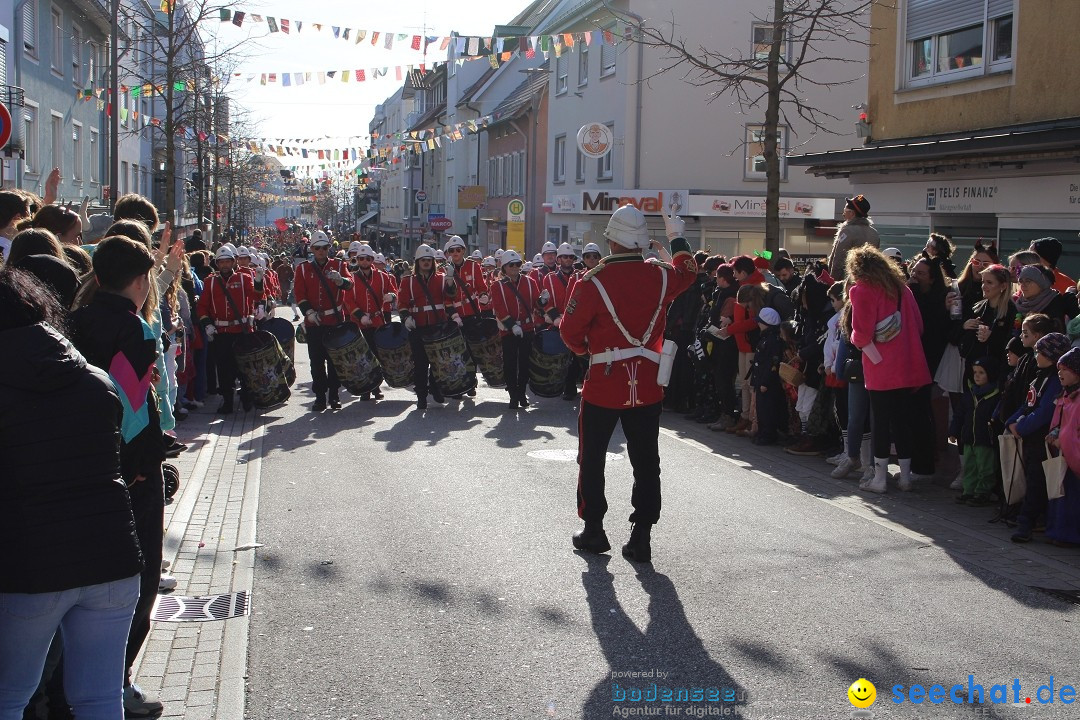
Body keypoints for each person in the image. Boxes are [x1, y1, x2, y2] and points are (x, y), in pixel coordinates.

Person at [0, 267, 144, 720]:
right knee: (99, 698)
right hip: (112, 554)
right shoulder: (95, 381)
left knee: (9, 695)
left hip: (29, 562)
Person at [561, 203, 697, 563]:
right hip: (648, 385)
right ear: (641, 243)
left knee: (592, 457)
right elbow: (688, 269)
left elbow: (570, 332)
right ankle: (642, 535)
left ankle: (593, 529)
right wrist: (676, 235)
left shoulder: (591, 282)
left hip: (604, 384)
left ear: (611, 241)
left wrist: (589, 350)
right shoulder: (663, 277)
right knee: (646, 460)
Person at [68, 236, 166, 718]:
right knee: (138, 580)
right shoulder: (134, 331)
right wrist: (145, 468)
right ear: (140, 278)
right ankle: (116, 683)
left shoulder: (74, 318)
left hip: (78, 461)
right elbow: (130, 409)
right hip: (126, 474)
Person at [846, 246, 931, 494]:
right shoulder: (902, 289)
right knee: (902, 421)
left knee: (880, 422)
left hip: (880, 365)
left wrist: (865, 347)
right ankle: (905, 477)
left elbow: (860, 334)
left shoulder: (861, 290)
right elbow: (919, 325)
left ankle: (880, 479)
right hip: (907, 362)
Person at [1007, 333, 1070, 543]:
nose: (1035, 355)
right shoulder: (1038, 377)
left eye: (1040, 352)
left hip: (1042, 440)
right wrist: (1011, 421)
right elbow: (1028, 405)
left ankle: (1026, 523)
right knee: (1032, 479)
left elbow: (1044, 412)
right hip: (1030, 439)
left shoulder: (1054, 381)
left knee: (1037, 482)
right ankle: (1027, 517)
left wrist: (1021, 427)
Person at [196, 245, 263, 414]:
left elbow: (256, 296)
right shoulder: (210, 281)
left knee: (244, 367)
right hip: (221, 333)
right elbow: (202, 307)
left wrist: (259, 281)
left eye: (228, 261)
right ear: (217, 264)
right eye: (222, 262)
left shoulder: (244, 278)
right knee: (224, 369)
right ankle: (227, 402)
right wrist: (207, 324)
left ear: (233, 262)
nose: (225, 265)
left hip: (241, 330)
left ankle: (247, 397)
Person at [294, 231, 353, 411]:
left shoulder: (339, 264)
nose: (321, 251)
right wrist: (308, 312)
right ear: (312, 249)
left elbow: (350, 285)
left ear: (329, 248)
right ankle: (320, 396)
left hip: (334, 320)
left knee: (335, 361)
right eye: (317, 248)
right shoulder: (303, 268)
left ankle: (334, 396)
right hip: (315, 322)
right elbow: (299, 294)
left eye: (325, 248)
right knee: (317, 361)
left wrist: (340, 280)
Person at [398, 244, 459, 409]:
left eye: (429, 260)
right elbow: (402, 303)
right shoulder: (407, 281)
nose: (426, 263)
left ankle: (436, 387)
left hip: (437, 325)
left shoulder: (441, 278)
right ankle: (421, 396)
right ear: (417, 262)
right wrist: (405, 318)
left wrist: (451, 280)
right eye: (423, 260)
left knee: (438, 362)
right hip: (418, 326)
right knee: (420, 363)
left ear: (433, 262)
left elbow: (451, 296)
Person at [342, 244, 395, 401]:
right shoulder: (351, 278)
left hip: (377, 320)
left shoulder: (382, 276)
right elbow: (348, 300)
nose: (364, 261)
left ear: (372, 260)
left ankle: (376, 386)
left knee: (377, 354)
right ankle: (365, 388)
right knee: (362, 356)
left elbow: (394, 289)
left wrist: (391, 296)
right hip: (359, 322)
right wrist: (360, 315)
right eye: (361, 258)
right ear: (357, 260)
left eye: (367, 258)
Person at [490, 250, 542, 409]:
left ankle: (521, 393)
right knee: (510, 364)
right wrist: (512, 325)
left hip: (526, 328)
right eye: (511, 265)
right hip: (508, 330)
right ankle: (513, 395)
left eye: (517, 264)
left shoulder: (530, 282)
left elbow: (536, 304)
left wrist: (543, 301)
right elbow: (499, 309)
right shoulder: (497, 285)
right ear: (504, 267)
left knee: (525, 363)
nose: (514, 267)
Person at [948, 357, 1002, 506]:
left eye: (981, 373)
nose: (977, 376)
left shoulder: (995, 397)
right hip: (968, 438)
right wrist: (954, 431)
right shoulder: (969, 395)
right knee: (969, 466)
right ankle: (969, 491)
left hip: (985, 440)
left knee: (985, 468)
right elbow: (959, 415)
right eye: (975, 372)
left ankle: (982, 493)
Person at [1046, 348, 1080, 546]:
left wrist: (1062, 442)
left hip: (1072, 456)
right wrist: (1054, 434)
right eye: (1059, 369)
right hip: (1063, 454)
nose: (1060, 373)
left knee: (1071, 498)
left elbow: (1073, 429)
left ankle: (1068, 535)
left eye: (1065, 369)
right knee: (1059, 495)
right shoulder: (1065, 395)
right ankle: (1057, 531)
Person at [540, 243, 583, 400]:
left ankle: (573, 387)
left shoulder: (581, 276)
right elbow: (546, 302)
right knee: (560, 356)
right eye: (565, 257)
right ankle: (565, 386)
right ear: (558, 259)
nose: (568, 259)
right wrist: (556, 318)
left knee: (578, 357)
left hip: (577, 322)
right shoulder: (548, 278)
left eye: (571, 257)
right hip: (557, 321)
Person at [827, 194, 880, 280]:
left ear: (852, 213)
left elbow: (838, 260)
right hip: (870, 281)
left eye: (845, 210)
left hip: (849, 282)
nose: (843, 214)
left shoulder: (847, 231)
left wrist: (832, 281)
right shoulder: (874, 233)